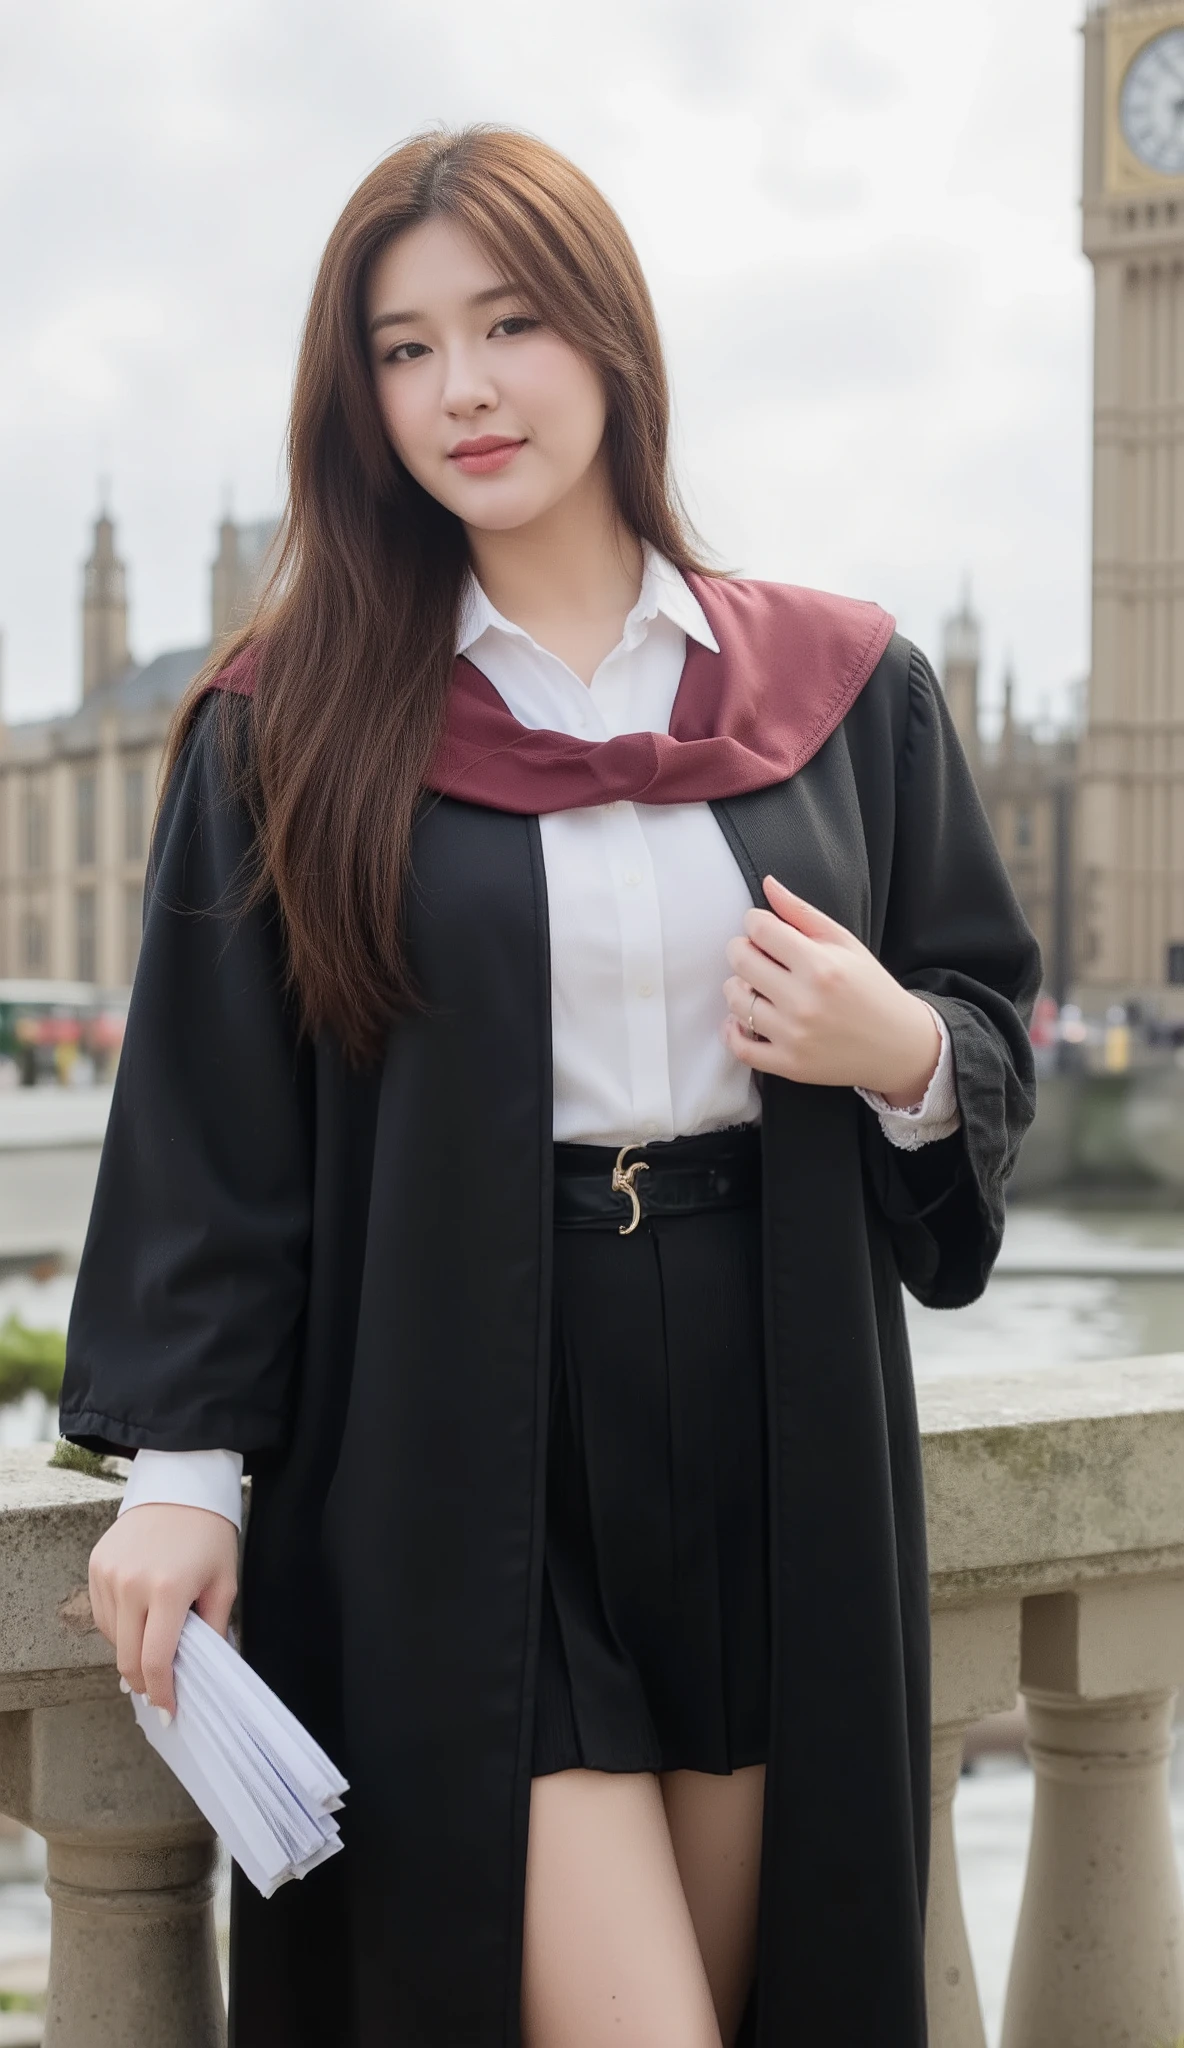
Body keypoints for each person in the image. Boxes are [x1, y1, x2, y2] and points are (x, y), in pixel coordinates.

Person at [59, 124, 1040, 2048]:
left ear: (611, 337)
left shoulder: (839, 688)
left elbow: (985, 1023)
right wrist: (182, 1476)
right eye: (405, 349)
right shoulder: (299, 721)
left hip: (772, 1419)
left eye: (508, 323)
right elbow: (214, 1126)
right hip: (461, 1422)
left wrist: (899, 1050)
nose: (464, 390)